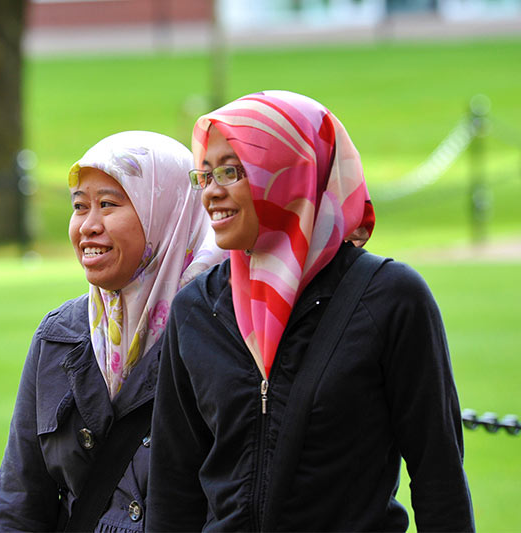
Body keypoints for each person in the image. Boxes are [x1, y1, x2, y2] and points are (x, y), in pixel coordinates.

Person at [147, 91, 475, 532]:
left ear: (294, 172)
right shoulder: (196, 309)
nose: (211, 192)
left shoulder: (391, 298)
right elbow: (173, 490)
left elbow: (439, 478)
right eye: (204, 174)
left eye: (232, 170)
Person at [0, 131, 223, 531]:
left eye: (108, 205)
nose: (88, 226)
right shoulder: (59, 336)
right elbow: (21, 501)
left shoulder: (222, 336)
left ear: (165, 211)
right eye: (80, 206)